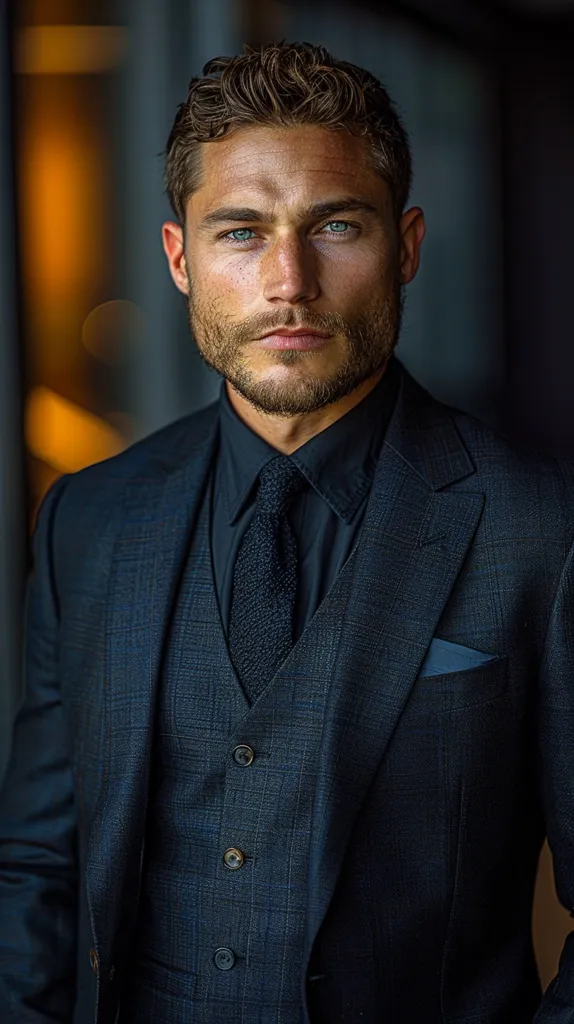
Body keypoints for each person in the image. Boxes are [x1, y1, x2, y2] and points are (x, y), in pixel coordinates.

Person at [1, 39, 573, 1024]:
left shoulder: (540, 527)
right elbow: (36, 867)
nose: (289, 280)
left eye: (335, 224)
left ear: (406, 244)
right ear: (181, 258)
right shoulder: (89, 521)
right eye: (240, 231)